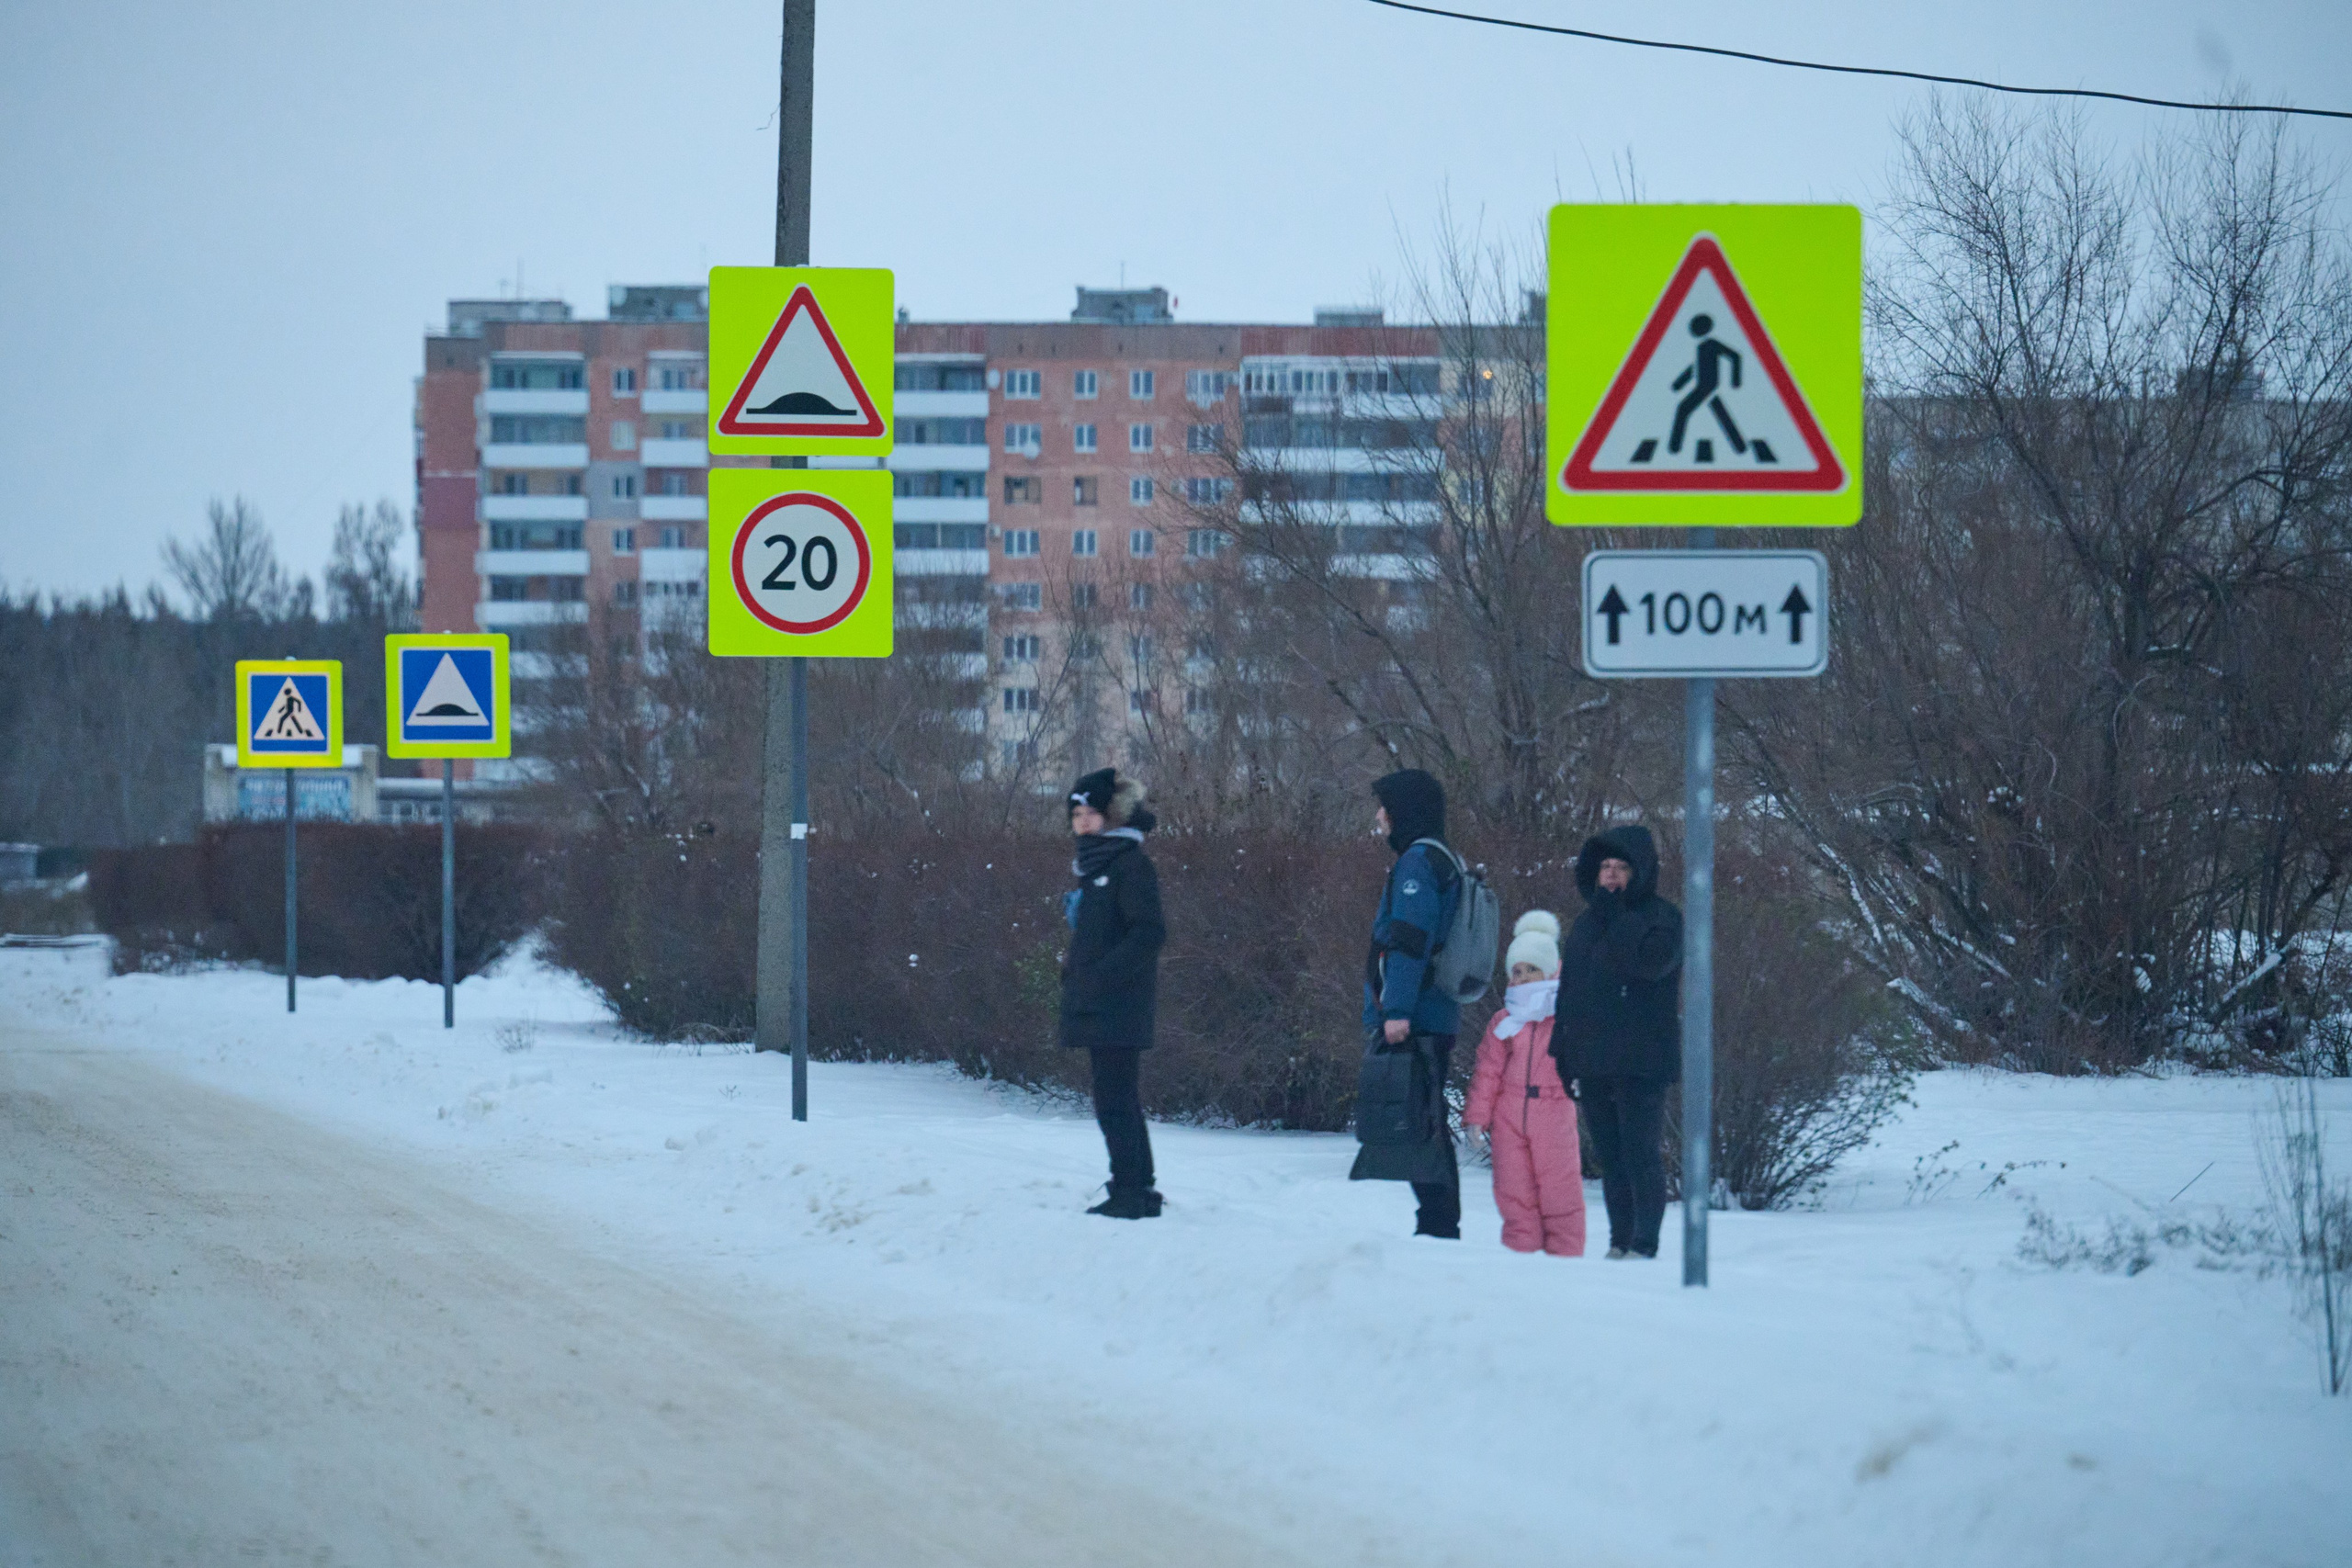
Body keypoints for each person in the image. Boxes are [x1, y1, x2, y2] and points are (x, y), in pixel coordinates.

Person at [1548, 826, 1682, 1259]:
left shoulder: (1663, 918)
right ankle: (1619, 1240)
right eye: (1604, 867)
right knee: (1611, 1158)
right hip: (1592, 1058)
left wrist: (1618, 916)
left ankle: (1645, 1245)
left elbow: (1647, 965)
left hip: (1642, 1060)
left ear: (1640, 871)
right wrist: (1562, 1053)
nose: (1610, 876)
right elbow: (1571, 991)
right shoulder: (1587, 923)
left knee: (1640, 1153)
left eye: (1621, 867)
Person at [1353, 768, 1464, 1238]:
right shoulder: (1439, 857)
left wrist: (1395, 1010)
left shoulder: (1418, 863)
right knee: (1424, 1113)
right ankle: (1437, 1220)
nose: (1379, 816)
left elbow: (1410, 940)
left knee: (1420, 1119)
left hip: (1417, 1014)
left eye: (1385, 807)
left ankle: (1438, 1223)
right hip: (1432, 1010)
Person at [1059, 768, 1167, 1219]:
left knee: (1115, 1099)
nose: (1082, 822)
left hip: (1118, 1003)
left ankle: (1132, 1191)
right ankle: (1135, 1185)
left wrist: (1101, 976)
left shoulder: (1128, 863)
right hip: (1100, 1002)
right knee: (1116, 1098)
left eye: (1091, 813)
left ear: (1111, 815)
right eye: (1076, 814)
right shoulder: (1097, 866)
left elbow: (1149, 932)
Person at [1463, 911, 1586, 1257]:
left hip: (1554, 1110)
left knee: (1560, 1193)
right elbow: (1488, 1073)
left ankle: (1566, 1261)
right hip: (1509, 1115)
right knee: (1514, 1194)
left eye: (1532, 969)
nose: (1524, 977)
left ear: (1549, 971)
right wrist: (1477, 1116)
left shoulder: (1565, 1014)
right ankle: (1521, 1265)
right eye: (1517, 971)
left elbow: (1584, 1055)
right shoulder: (1505, 1021)